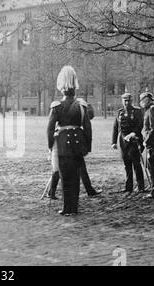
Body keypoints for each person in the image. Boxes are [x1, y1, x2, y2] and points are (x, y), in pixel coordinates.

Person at [47, 66, 92, 216]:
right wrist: (87, 146)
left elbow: (49, 128)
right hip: (78, 143)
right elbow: (87, 127)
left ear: (62, 89)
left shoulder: (57, 106)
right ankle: (75, 207)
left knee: (66, 177)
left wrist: (49, 146)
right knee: (75, 176)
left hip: (63, 145)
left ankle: (67, 208)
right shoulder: (81, 106)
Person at [47, 102, 101, 200]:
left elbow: (89, 117)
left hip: (72, 139)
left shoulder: (80, 105)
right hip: (63, 139)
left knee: (80, 167)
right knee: (59, 167)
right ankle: (51, 191)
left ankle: (89, 190)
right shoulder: (71, 106)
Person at [111, 93, 145, 195]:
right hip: (123, 142)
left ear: (131, 101)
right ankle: (128, 186)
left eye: (128, 101)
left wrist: (134, 133)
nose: (126, 103)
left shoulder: (138, 111)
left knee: (136, 163)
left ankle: (140, 186)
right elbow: (115, 128)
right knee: (127, 164)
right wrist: (113, 142)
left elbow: (140, 124)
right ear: (122, 101)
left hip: (134, 140)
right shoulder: (119, 112)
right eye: (124, 101)